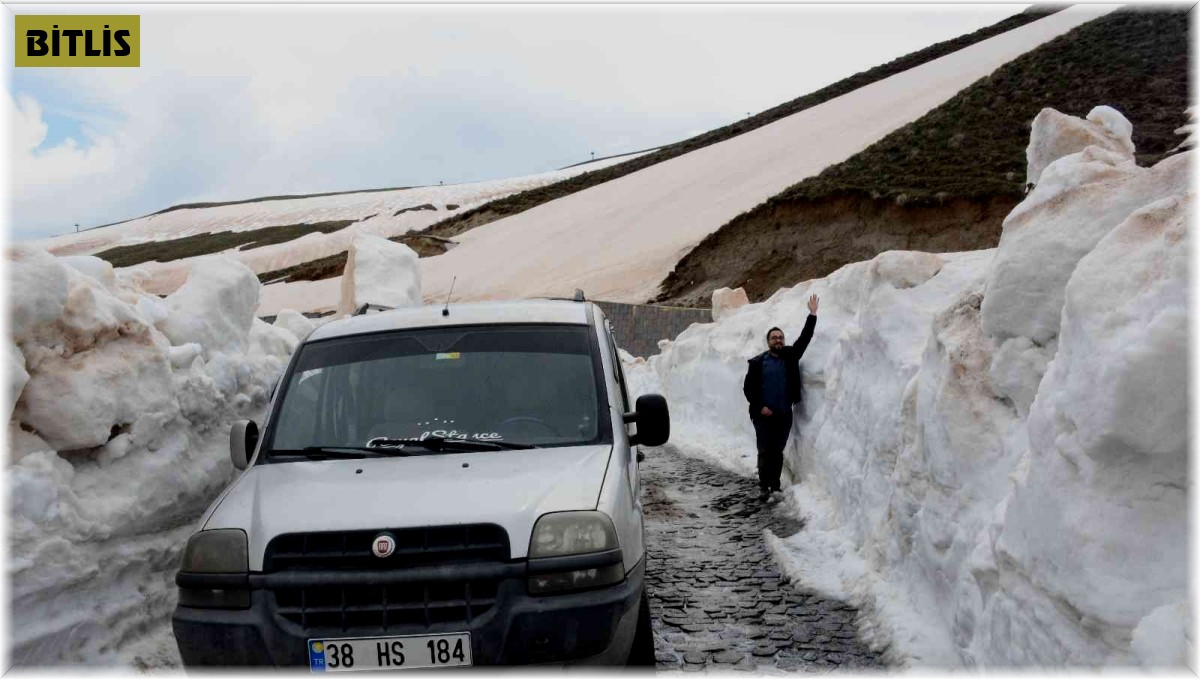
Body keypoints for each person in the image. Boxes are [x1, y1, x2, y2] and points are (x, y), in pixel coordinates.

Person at [742, 293, 819, 501]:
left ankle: (774, 486)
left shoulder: (791, 356)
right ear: (768, 341)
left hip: (784, 413)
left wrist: (812, 314)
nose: (778, 340)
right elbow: (748, 389)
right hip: (762, 414)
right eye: (774, 337)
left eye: (780, 337)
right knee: (765, 449)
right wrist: (760, 407)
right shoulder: (758, 363)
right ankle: (764, 486)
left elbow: (805, 338)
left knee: (777, 451)